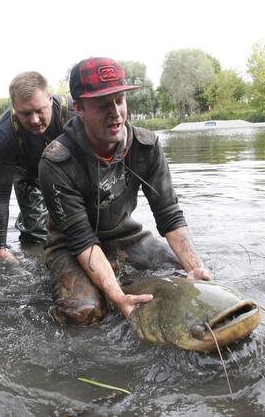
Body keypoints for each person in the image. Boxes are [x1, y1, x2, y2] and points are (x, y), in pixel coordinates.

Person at [39, 57, 212, 326]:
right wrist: (117, 297)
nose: (116, 113)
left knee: (185, 280)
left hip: (126, 236)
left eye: (119, 100)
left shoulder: (146, 145)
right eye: (102, 105)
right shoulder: (56, 162)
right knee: (85, 312)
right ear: (80, 108)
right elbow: (82, 241)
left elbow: (169, 215)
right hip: (71, 247)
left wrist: (195, 268)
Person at [0, 71, 72, 262]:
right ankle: (38, 261)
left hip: (71, 172)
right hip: (29, 176)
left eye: (39, 110)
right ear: (14, 107)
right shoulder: (4, 134)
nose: (34, 120)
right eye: (25, 113)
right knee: (36, 232)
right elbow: (0, 196)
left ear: (50, 99)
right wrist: (0, 248)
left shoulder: (75, 113)